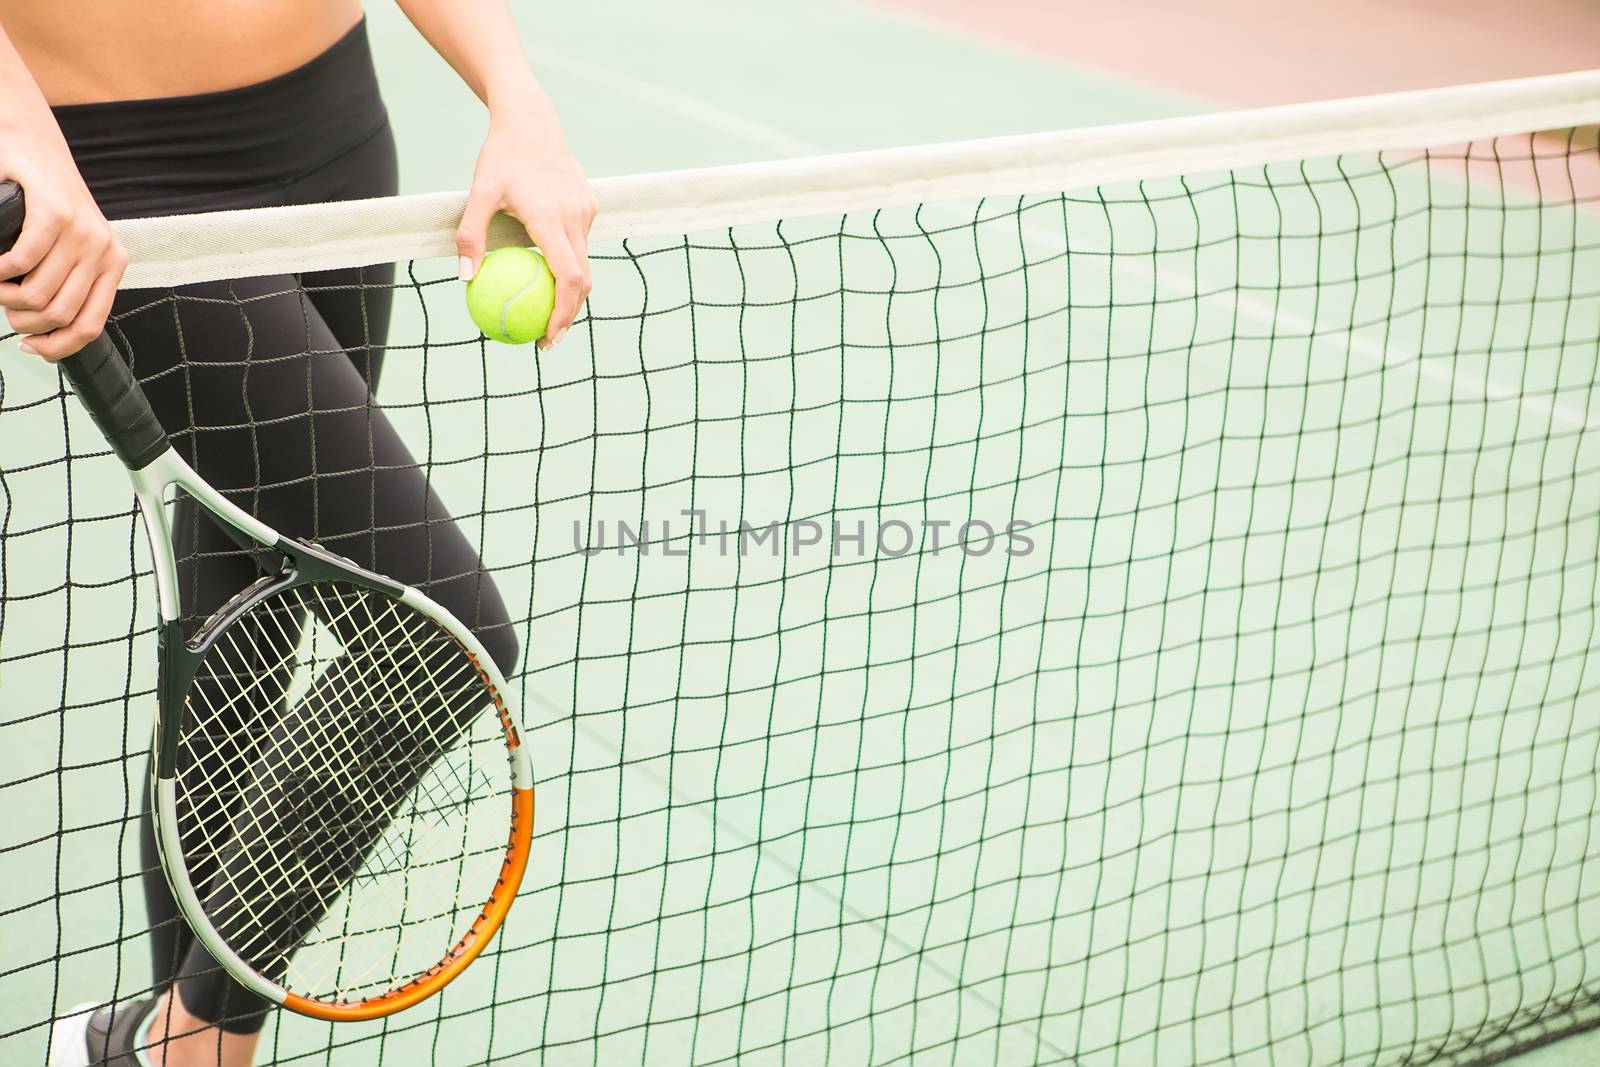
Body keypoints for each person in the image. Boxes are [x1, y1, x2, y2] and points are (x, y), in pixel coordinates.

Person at [0, 4, 595, 1066]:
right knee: (443, 630)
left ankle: (155, 1040)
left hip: (332, 129)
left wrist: (520, 97)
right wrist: (20, 141)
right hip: (112, 176)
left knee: (244, 592)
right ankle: (190, 1039)